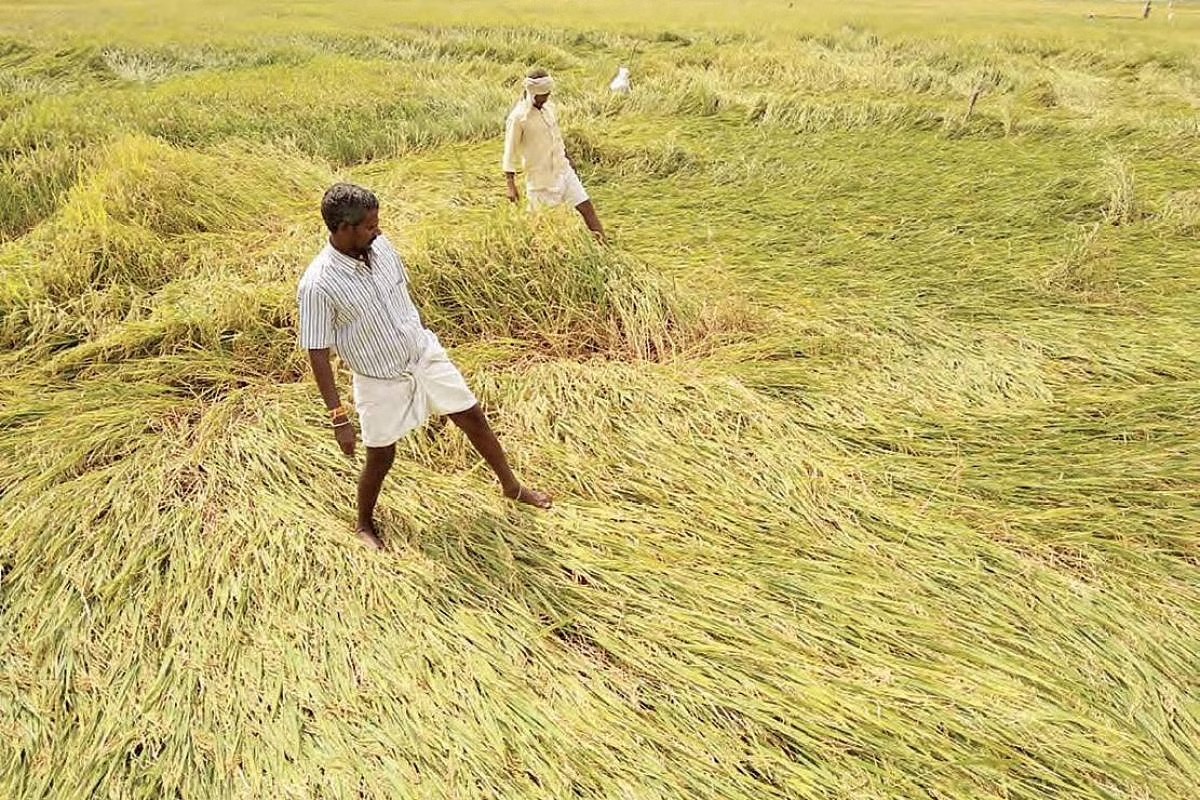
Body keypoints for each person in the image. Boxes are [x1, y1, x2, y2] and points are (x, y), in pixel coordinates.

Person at [297, 183, 552, 551]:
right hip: (379, 378)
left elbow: (399, 298)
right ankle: (364, 523)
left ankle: (511, 486)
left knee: (472, 417)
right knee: (381, 456)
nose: (378, 231)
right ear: (344, 229)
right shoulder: (318, 285)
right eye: (369, 226)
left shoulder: (381, 247)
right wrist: (339, 417)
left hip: (422, 355)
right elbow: (317, 352)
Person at [502, 68, 606, 242]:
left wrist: (568, 160)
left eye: (548, 94)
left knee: (586, 207)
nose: (546, 98)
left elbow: (556, 137)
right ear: (533, 93)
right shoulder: (518, 118)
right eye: (543, 95)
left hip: (562, 170)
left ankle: (605, 247)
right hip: (541, 181)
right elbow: (509, 152)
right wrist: (510, 185)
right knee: (540, 226)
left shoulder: (549, 108)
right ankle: (533, 255)